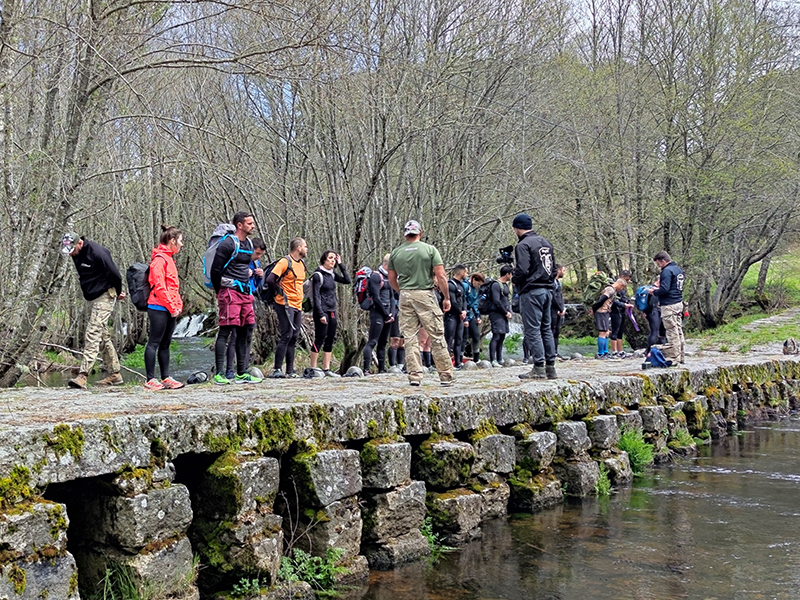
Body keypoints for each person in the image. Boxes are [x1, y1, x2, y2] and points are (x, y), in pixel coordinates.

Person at [387, 220, 453, 387]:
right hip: (425, 293)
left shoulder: (395, 253)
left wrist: (402, 291)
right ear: (420, 233)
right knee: (436, 334)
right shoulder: (430, 250)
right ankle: (445, 375)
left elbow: (391, 279)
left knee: (409, 336)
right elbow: (442, 277)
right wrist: (446, 297)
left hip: (405, 295)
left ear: (405, 234)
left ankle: (415, 375)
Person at [61, 232, 125, 390]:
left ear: (80, 243)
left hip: (105, 295)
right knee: (102, 336)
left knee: (92, 332)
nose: (70, 254)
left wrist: (117, 292)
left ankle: (83, 376)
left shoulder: (97, 252)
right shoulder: (76, 254)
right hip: (94, 296)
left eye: (72, 250)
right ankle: (115, 374)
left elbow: (115, 274)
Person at [210, 211, 262, 385]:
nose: (252, 226)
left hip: (246, 293)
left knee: (246, 330)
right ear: (239, 225)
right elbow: (215, 271)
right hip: (229, 293)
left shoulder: (248, 243)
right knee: (226, 330)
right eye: (249, 223)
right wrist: (220, 292)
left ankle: (241, 372)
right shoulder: (227, 244)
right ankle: (219, 373)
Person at [511, 214, 558, 380]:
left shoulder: (523, 245)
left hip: (531, 291)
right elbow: (554, 268)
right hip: (548, 290)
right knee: (546, 328)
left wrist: (514, 279)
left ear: (517, 228)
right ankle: (550, 367)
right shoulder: (546, 243)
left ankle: (538, 367)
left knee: (533, 329)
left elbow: (522, 269)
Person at [143, 226, 185, 390]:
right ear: (172, 241)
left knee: (166, 343)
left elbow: (173, 287)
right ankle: (150, 379)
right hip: (158, 307)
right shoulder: (159, 260)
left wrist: (177, 306)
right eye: (180, 241)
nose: (181, 244)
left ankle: (166, 377)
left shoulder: (169, 259)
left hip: (170, 308)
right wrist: (171, 306)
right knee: (154, 342)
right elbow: (159, 286)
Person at [266, 237, 308, 378]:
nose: (306, 249)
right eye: (305, 246)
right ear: (298, 248)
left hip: (297, 304)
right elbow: (270, 279)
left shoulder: (301, 264)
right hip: (284, 304)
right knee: (286, 334)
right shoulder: (285, 262)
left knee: (294, 336)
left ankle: (290, 370)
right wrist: (277, 294)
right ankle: (277, 369)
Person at [225, 238, 266, 380]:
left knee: (248, 335)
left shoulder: (256, 263)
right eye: (257, 253)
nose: (258, 257)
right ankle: (229, 369)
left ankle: (244, 368)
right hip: (236, 297)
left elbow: (256, 285)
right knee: (234, 334)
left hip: (250, 298)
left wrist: (260, 277)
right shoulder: (239, 261)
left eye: (260, 254)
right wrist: (244, 274)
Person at [309, 249, 350, 376]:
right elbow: (316, 297)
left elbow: (347, 280)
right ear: (324, 260)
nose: (333, 261)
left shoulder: (331, 275)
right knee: (320, 338)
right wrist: (320, 314)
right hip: (321, 311)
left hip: (332, 310)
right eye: (330, 258)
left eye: (334, 258)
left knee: (330, 339)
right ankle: (313, 368)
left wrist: (341, 264)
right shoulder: (318, 275)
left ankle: (326, 369)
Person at [651, 251, 686, 364]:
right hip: (678, 303)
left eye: (658, 264)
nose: (658, 266)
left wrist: (654, 292)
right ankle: (681, 356)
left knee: (671, 332)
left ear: (663, 261)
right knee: (679, 330)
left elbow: (664, 289)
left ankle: (674, 358)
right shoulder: (678, 270)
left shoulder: (666, 271)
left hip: (669, 305)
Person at [362, 254, 394, 374]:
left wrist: (392, 314)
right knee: (373, 341)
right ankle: (366, 368)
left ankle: (381, 368)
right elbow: (376, 297)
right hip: (377, 312)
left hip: (388, 314)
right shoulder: (376, 276)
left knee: (383, 342)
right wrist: (385, 314)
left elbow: (391, 297)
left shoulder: (389, 278)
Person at [592, 278, 628, 359]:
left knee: (607, 332)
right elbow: (601, 300)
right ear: (620, 285)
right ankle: (600, 353)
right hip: (602, 312)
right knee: (602, 332)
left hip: (606, 312)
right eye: (622, 288)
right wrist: (594, 309)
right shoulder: (610, 290)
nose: (621, 290)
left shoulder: (612, 290)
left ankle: (605, 352)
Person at [488, 265, 513, 367]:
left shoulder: (505, 285)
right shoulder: (496, 285)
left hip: (504, 314)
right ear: (507, 274)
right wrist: (505, 312)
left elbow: (506, 300)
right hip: (496, 314)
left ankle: (500, 358)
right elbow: (496, 301)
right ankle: (493, 359)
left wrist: (509, 311)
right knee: (497, 335)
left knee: (502, 336)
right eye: (511, 274)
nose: (512, 276)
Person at [443, 264, 467, 368]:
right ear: (461, 273)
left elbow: (464, 299)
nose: (466, 274)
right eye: (466, 272)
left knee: (459, 339)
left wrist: (465, 311)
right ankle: (447, 363)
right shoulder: (450, 284)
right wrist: (460, 312)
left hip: (460, 317)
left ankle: (458, 362)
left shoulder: (461, 285)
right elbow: (452, 300)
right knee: (449, 339)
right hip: (451, 316)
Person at [609, 270, 633, 358]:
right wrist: (623, 305)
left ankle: (620, 350)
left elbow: (623, 297)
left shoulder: (622, 288)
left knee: (620, 332)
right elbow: (613, 300)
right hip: (615, 311)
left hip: (622, 311)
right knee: (614, 331)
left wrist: (627, 303)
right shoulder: (613, 288)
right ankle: (614, 351)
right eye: (626, 279)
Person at [462, 273, 484, 362]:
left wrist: (477, 316)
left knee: (476, 335)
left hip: (471, 315)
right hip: (464, 314)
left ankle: (476, 358)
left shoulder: (476, 290)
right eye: (478, 284)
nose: (478, 286)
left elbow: (475, 303)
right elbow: (463, 302)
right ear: (474, 280)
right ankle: (459, 358)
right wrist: (465, 318)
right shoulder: (465, 286)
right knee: (464, 336)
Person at [387, 286, 406, 369]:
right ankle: (392, 366)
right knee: (395, 340)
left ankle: (400, 365)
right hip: (395, 310)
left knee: (403, 342)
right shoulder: (392, 281)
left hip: (406, 311)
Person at [643, 276, 662, 356]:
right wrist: (646, 312)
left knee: (659, 331)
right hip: (653, 312)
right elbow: (651, 303)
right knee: (654, 331)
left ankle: (656, 349)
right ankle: (649, 350)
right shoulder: (652, 290)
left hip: (654, 311)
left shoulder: (654, 289)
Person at [550, 264, 566, 360]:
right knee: (551, 331)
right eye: (563, 270)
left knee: (556, 332)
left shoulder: (558, 283)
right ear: (558, 271)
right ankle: (551, 352)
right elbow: (553, 298)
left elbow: (560, 297)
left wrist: (562, 308)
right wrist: (559, 308)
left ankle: (555, 352)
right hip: (552, 311)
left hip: (559, 310)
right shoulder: (552, 283)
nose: (564, 272)